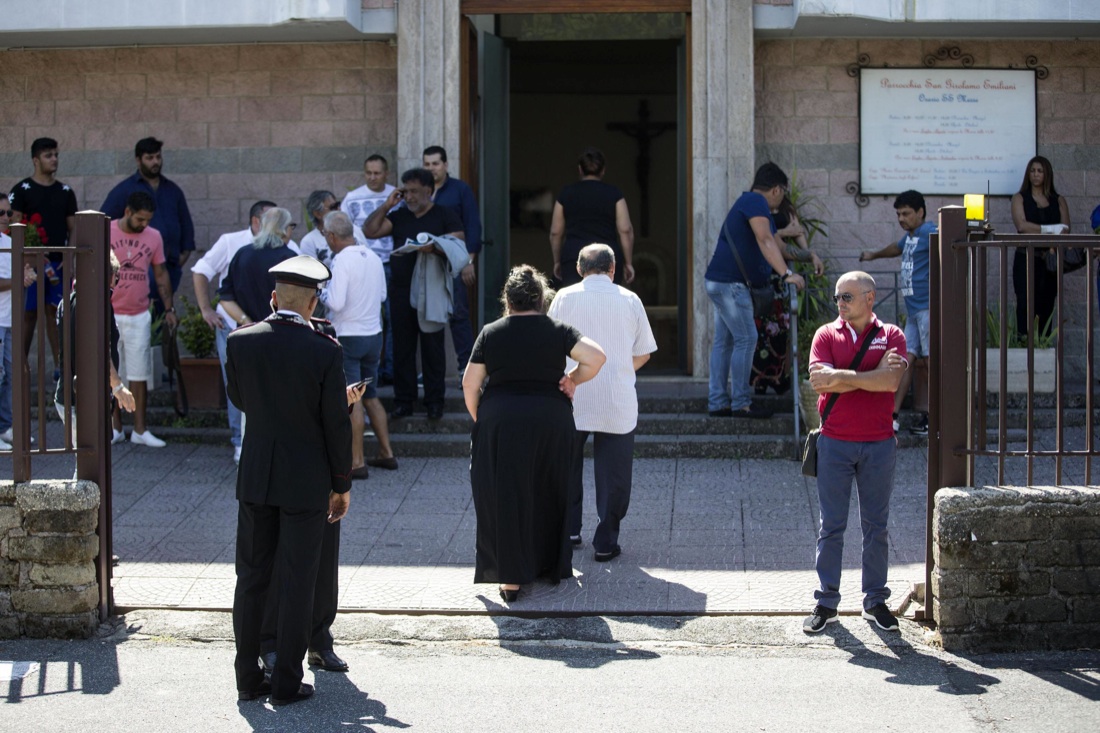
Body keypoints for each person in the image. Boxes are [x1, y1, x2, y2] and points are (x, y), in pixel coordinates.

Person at [226, 256, 354, 707]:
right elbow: (335, 423)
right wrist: (342, 484)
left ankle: (246, 678)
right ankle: (285, 681)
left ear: (274, 298)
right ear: (313, 301)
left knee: (251, 578)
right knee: (299, 581)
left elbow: (240, 400)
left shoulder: (240, 342)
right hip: (306, 479)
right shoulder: (325, 349)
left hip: (258, 473)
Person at [462, 265, 606, 602]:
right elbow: (596, 357)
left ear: (507, 300)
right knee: (548, 489)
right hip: (550, 420)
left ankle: (510, 579)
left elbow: (470, 384)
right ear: (541, 299)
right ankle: (549, 566)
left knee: (505, 495)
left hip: (502, 421)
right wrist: (573, 379)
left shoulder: (491, 332)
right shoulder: (558, 330)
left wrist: (482, 419)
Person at [802, 271, 907, 635]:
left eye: (847, 297)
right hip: (835, 442)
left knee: (876, 527)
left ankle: (875, 601)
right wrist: (869, 376)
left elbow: (891, 382)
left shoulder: (891, 335)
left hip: (879, 443)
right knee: (831, 526)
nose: (840, 304)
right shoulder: (826, 334)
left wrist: (843, 378)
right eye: (837, 298)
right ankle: (826, 602)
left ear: (869, 298)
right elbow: (819, 380)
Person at [548, 244, 657, 562]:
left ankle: (569, 530)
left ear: (580, 269)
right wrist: (620, 368)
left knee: (566, 467)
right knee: (616, 475)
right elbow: (645, 351)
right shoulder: (630, 299)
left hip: (571, 392)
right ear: (613, 269)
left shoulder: (564, 297)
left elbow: (552, 345)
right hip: (616, 397)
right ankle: (606, 540)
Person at [704, 162, 805, 419]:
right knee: (746, 339)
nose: (782, 198)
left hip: (720, 282)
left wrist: (809, 256)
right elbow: (765, 240)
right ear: (776, 189)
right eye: (783, 192)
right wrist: (787, 274)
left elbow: (780, 246)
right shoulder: (755, 202)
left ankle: (718, 401)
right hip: (732, 285)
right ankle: (741, 403)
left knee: (724, 343)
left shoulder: (752, 205)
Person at [362, 169, 464, 421]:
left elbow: (458, 244)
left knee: (432, 349)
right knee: (402, 348)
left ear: (429, 191)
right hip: (400, 291)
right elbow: (370, 231)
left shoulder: (444, 215)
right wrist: (387, 204)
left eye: (415, 191)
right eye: (406, 190)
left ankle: (434, 403)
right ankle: (403, 401)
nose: (409, 196)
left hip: (432, 291)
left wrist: (435, 247)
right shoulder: (399, 215)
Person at [191, 200, 277, 464]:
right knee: (236, 384)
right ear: (255, 222)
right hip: (232, 325)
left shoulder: (282, 246)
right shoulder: (231, 242)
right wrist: (206, 309)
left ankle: (267, 439)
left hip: (272, 327)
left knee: (271, 384)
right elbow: (201, 271)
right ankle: (240, 441)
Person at [318, 211, 396, 475]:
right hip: (374, 335)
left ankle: (357, 462)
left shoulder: (341, 261)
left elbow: (336, 302)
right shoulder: (372, 256)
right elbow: (383, 295)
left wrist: (320, 290)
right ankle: (386, 452)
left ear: (331, 236)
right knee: (371, 396)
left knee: (353, 398)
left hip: (349, 336)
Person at [859, 190, 936, 436]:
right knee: (905, 360)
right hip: (913, 311)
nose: (901, 218)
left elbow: (951, 238)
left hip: (927, 308)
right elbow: (896, 248)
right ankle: (892, 416)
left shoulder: (929, 231)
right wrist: (873, 255)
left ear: (920, 213)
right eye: (898, 214)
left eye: (906, 213)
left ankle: (936, 419)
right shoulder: (910, 236)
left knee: (930, 361)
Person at [109, 191, 177, 448]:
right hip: (110, 311)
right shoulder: (106, 230)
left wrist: (169, 309)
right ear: (127, 212)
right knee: (112, 370)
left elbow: (160, 274)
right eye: (140, 219)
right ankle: (114, 428)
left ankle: (139, 429)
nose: (144, 225)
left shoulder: (154, 237)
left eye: (148, 220)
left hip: (138, 313)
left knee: (139, 373)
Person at [101, 137, 195, 320]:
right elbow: (102, 223)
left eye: (158, 157)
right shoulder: (125, 190)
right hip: (136, 269)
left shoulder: (173, 190)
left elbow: (186, 226)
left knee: (163, 319)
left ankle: (157, 349)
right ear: (138, 160)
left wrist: (180, 258)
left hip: (169, 266)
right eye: (149, 158)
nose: (155, 162)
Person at [9, 136, 78, 378]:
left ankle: (61, 368)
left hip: (58, 264)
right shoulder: (21, 190)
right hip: (31, 263)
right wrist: (25, 259)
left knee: (55, 311)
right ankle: (19, 366)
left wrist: (70, 261)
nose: (54, 159)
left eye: (56, 155)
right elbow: (13, 227)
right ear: (35, 160)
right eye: (49, 155)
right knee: (28, 313)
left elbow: (74, 229)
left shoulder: (65, 192)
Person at [54, 252, 137, 451]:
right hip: (82, 397)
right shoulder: (96, 303)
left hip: (70, 393)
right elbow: (98, 347)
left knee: (89, 461)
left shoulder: (69, 299)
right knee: (89, 463)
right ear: (112, 276)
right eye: (116, 277)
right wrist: (117, 386)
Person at [751, 194, 826, 395]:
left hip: (782, 274)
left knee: (781, 326)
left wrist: (809, 254)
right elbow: (763, 236)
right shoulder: (757, 209)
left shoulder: (786, 208)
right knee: (761, 330)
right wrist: (785, 232)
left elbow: (798, 232)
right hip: (763, 271)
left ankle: (778, 378)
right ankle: (759, 379)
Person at [423, 145, 482, 375]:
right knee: (428, 318)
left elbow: (472, 226)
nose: (431, 168)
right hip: (428, 265)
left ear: (446, 165)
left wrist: (468, 261)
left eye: (435, 163)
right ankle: (431, 372)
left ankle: (466, 370)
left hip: (455, 263)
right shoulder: (421, 191)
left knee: (459, 316)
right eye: (427, 164)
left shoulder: (459, 190)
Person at [342, 154, 397, 384]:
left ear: (386, 173)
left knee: (392, 319)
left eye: (377, 173)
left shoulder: (396, 195)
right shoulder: (352, 198)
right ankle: (372, 372)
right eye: (368, 173)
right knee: (370, 318)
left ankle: (391, 370)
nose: (373, 177)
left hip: (392, 263)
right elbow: (345, 229)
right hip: (363, 267)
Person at [549, 147, 636, 287]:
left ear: (580, 169)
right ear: (603, 170)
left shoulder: (566, 194)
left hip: (573, 256)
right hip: (607, 257)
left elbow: (555, 232)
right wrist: (628, 262)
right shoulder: (614, 194)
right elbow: (625, 229)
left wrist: (557, 261)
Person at [1010, 155, 1071, 339]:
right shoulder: (1019, 198)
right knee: (1024, 305)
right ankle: (1023, 347)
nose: (1035, 174)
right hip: (1025, 260)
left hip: (1049, 262)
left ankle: (1042, 349)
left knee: (1047, 306)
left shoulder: (1058, 200)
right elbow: (1022, 226)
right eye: (1032, 170)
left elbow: (1066, 230)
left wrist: (1040, 230)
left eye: (1040, 171)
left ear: (1047, 174)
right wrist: (1050, 230)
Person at [218, 208, 298, 328]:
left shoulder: (242, 254)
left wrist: (247, 322)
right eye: (292, 226)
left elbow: (225, 298)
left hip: (247, 336)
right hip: (281, 334)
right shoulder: (289, 258)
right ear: (284, 229)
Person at [0, 209, 38, 449]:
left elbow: (24, 273)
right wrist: (18, 279)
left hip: (10, 319)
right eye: (0, 212)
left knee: (12, 375)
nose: (5, 216)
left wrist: (28, 274)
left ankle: (5, 429)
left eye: (8, 212)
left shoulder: (11, 243)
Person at [298, 190, 370, 273]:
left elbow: (368, 256)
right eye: (333, 207)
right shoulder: (309, 241)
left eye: (338, 205)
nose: (338, 209)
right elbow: (310, 273)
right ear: (318, 214)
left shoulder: (354, 229)